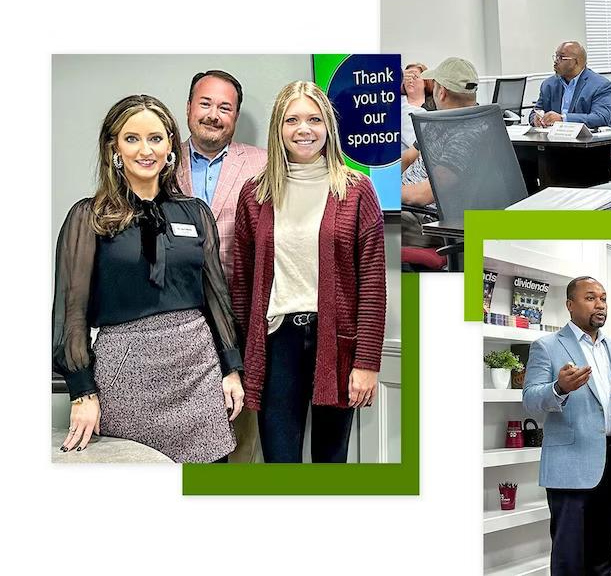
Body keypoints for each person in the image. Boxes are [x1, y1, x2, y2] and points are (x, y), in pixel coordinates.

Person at [52, 95, 243, 462]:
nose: (146, 150)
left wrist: (231, 368)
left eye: (156, 138)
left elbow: (216, 297)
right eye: (132, 138)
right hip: (125, 374)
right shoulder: (88, 217)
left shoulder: (195, 212)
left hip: (197, 370)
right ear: (114, 147)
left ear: (171, 145)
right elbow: (70, 313)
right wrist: (82, 391)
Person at [232, 81, 386, 463]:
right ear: (278, 129)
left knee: (330, 465)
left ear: (328, 127)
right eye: (292, 120)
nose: (304, 129)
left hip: (337, 341)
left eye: (314, 119)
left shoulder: (356, 190)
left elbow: (372, 285)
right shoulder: (255, 194)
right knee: (280, 463)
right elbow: (241, 285)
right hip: (276, 344)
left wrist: (366, 363)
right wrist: (236, 363)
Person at [523, 277, 611, 575]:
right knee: (570, 557)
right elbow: (530, 399)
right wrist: (559, 388)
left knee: (603, 553)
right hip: (570, 466)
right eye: (591, 298)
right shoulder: (547, 346)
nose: (601, 304)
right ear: (570, 305)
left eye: (604, 298)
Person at [178, 69, 267, 463]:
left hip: (242, 318)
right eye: (206, 104)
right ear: (188, 108)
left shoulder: (263, 164)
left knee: (239, 433)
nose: (214, 114)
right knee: (180, 433)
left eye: (225, 107)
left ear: (235, 115)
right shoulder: (158, 158)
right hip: (173, 321)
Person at [401, 57, 480, 248]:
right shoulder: (438, 121)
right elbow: (409, 157)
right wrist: (375, 179)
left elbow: (424, 194)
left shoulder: (468, 134)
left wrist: (382, 192)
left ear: (442, 92)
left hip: (428, 220)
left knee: (361, 223)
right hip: (407, 205)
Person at [530, 41, 611, 129]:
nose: (555, 61)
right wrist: (536, 118)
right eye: (556, 57)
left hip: (586, 138)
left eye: (561, 57)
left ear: (577, 62)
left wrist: (563, 119)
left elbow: (601, 117)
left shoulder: (600, 85)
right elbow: (536, 111)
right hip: (553, 138)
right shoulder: (549, 84)